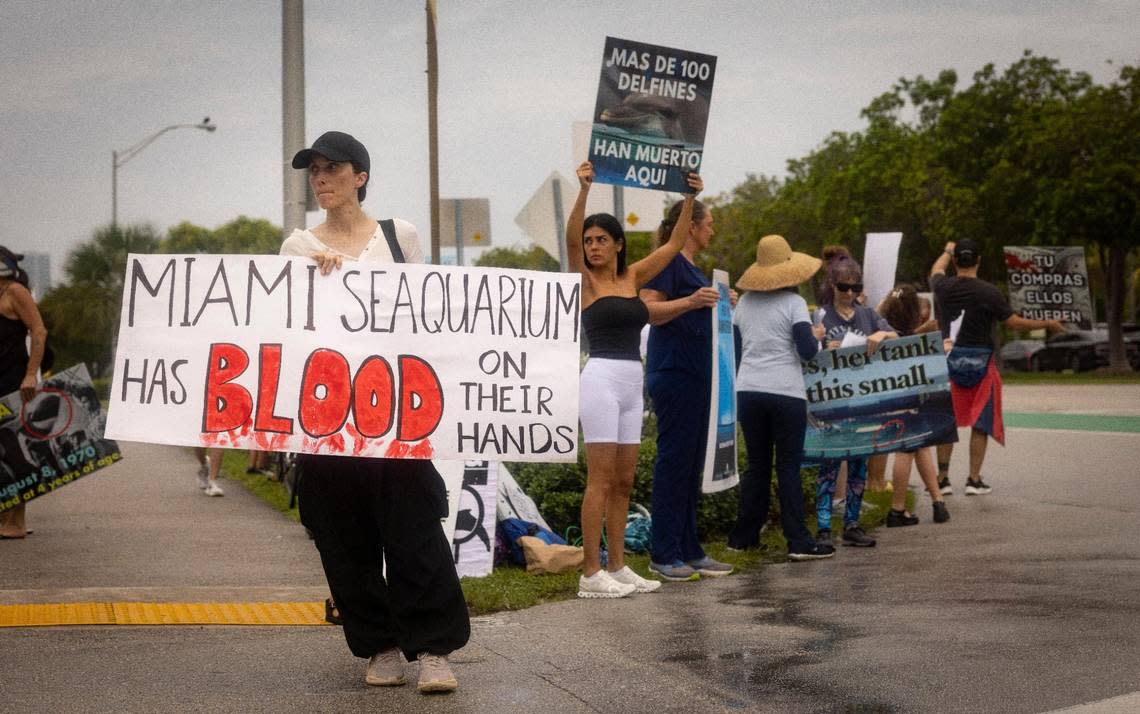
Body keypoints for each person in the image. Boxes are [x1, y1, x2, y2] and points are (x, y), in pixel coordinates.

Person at [282, 131, 468, 694]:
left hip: (394, 411)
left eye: (332, 168)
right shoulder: (296, 246)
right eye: (314, 170)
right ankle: (381, 646)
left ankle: (434, 648)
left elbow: (427, 312)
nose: (321, 179)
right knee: (344, 538)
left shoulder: (398, 236)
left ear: (360, 176)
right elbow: (286, 328)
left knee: (414, 530)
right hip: (329, 415)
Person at [566, 162, 702, 597]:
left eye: (601, 239)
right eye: (589, 241)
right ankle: (591, 574)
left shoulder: (632, 277)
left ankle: (619, 566)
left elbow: (676, 244)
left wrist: (690, 199)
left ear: (618, 245)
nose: (592, 247)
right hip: (600, 379)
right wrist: (584, 190)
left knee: (624, 480)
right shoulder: (585, 282)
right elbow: (569, 240)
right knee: (600, 479)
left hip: (631, 382)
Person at [639, 195, 735, 581]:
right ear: (691, 227)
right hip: (674, 371)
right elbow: (648, 309)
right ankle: (663, 552)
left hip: (698, 375)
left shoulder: (692, 266)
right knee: (674, 461)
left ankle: (689, 548)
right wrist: (693, 300)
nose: (712, 229)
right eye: (708, 222)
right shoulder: (668, 260)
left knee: (693, 462)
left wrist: (720, 305)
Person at [727, 235, 835, 560]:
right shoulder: (795, 304)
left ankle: (742, 537)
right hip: (785, 391)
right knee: (788, 465)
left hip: (748, 390)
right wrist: (816, 337)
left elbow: (735, 351)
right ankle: (798, 541)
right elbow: (806, 353)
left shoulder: (743, 304)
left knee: (757, 466)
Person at [930, 239, 1062, 495]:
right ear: (978, 260)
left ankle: (942, 480)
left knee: (948, 421)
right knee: (981, 421)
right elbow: (1014, 323)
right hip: (982, 364)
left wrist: (946, 250)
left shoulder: (943, 288)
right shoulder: (989, 292)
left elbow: (935, 270)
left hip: (948, 362)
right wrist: (1047, 323)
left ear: (956, 261)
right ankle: (973, 479)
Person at [812, 249, 897, 548]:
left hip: (863, 398)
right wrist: (825, 346)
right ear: (832, 286)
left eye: (855, 288)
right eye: (843, 287)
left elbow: (896, 336)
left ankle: (852, 522)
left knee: (859, 463)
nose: (849, 294)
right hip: (834, 398)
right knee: (830, 463)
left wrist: (881, 336)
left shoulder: (868, 314)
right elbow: (810, 350)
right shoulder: (822, 314)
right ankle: (823, 525)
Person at [877, 284, 951, 526]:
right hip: (912, 396)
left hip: (892, 396)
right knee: (908, 448)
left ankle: (936, 502)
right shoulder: (905, 336)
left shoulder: (882, 329)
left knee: (919, 446)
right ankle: (900, 508)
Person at [0, 247, 48, 540]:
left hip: (12, 383)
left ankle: (16, 520)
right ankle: (6, 516)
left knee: (12, 450)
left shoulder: (15, 292)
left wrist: (31, 374)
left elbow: (39, 331)